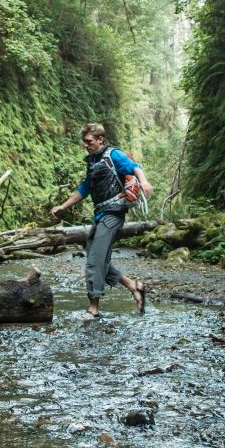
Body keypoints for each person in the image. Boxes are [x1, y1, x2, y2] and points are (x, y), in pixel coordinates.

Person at [50, 123, 154, 319]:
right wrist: (63, 206)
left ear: (100, 139)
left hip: (114, 214)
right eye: (84, 142)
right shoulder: (92, 162)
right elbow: (84, 188)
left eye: (89, 142)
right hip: (100, 215)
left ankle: (93, 308)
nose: (86, 145)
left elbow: (135, 168)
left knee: (95, 260)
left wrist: (144, 181)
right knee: (98, 260)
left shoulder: (113, 155)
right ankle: (134, 286)